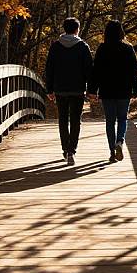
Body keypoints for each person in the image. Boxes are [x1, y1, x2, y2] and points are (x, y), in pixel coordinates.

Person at [88, 20, 137, 163]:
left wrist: (92, 90)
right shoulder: (128, 49)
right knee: (122, 118)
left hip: (107, 90)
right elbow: (135, 71)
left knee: (110, 121)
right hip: (124, 90)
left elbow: (96, 71)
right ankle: (120, 141)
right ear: (121, 32)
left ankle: (112, 151)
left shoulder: (102, 48)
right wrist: (136, 89)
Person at [45, 17, 93, 165]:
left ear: (64, 29)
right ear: (77, 29)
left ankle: (65, 149)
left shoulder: (55, 47)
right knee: (75, 120)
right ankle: (72, 150)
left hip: (60, 89)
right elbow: (89, 70)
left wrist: (49, 89)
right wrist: (91, 90)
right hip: (77, 89)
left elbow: (49, 69)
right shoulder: (83, 47)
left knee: (63, 120)